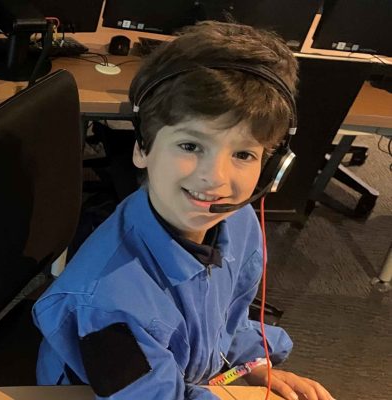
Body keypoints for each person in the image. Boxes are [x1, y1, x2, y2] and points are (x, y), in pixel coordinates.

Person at [33, 21, 334, 400]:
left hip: (190, 376)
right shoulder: (107, 303)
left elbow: (230, 317)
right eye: (191, 146)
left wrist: (252, 361)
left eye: (243, 154)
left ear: (270, 168)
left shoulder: (236, 222)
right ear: (142, 147)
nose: (216, 179)